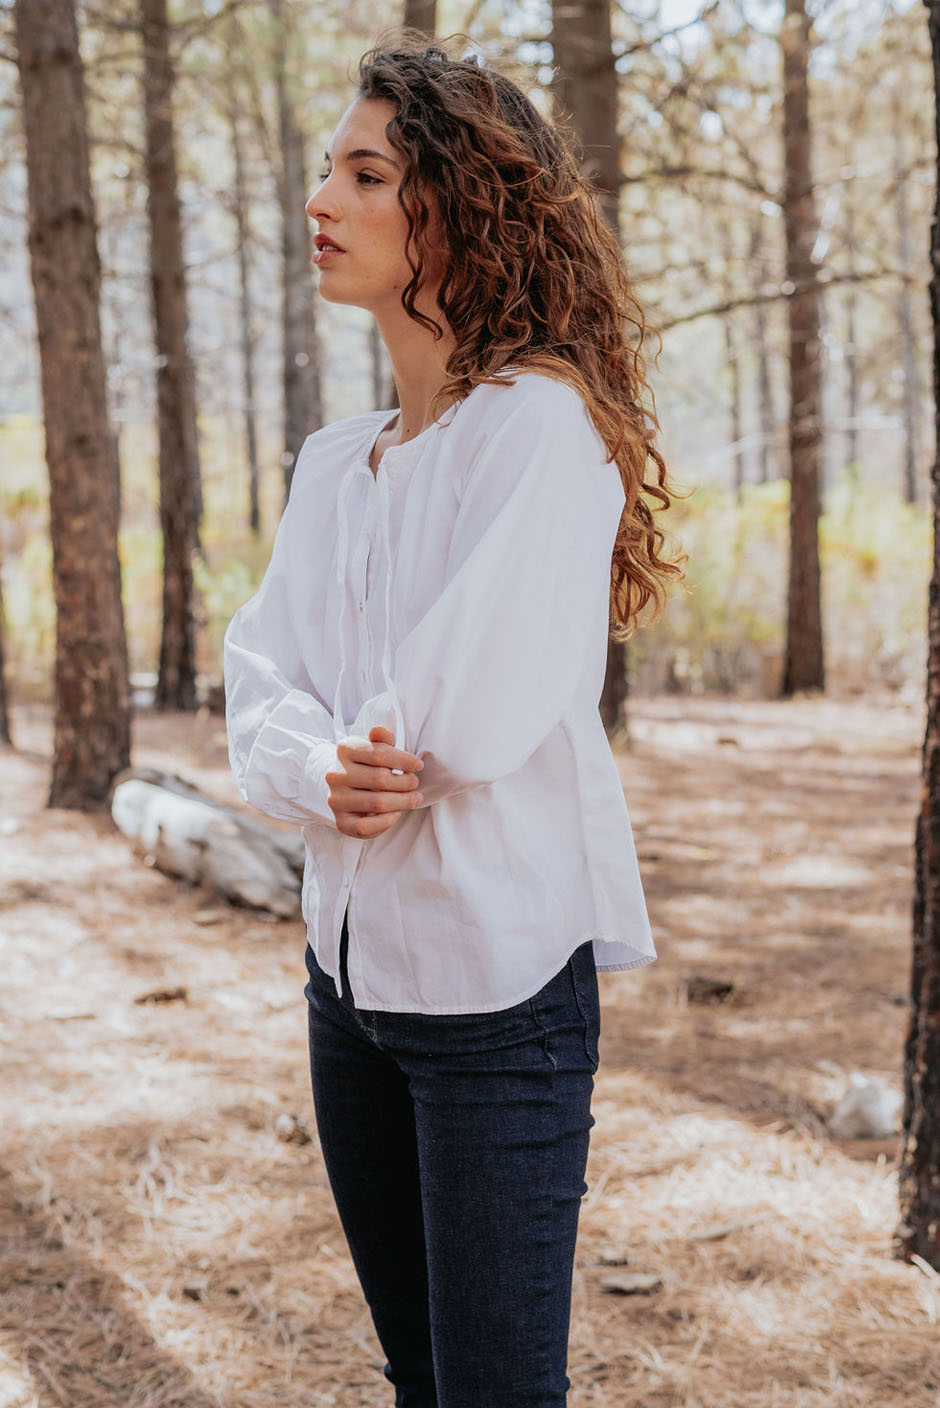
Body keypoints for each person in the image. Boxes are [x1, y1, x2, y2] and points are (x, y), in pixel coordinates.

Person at [223, 29, 685, 1408]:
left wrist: (325, 750)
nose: (323, 202)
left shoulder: (540, 432)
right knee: (420, 1378)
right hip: (346, 989)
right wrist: (313, 758)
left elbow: (461, 723)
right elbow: (259, 680)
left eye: (364, 173)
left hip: (498, 1005)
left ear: (457, 207)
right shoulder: (332, 464)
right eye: (326, 170)